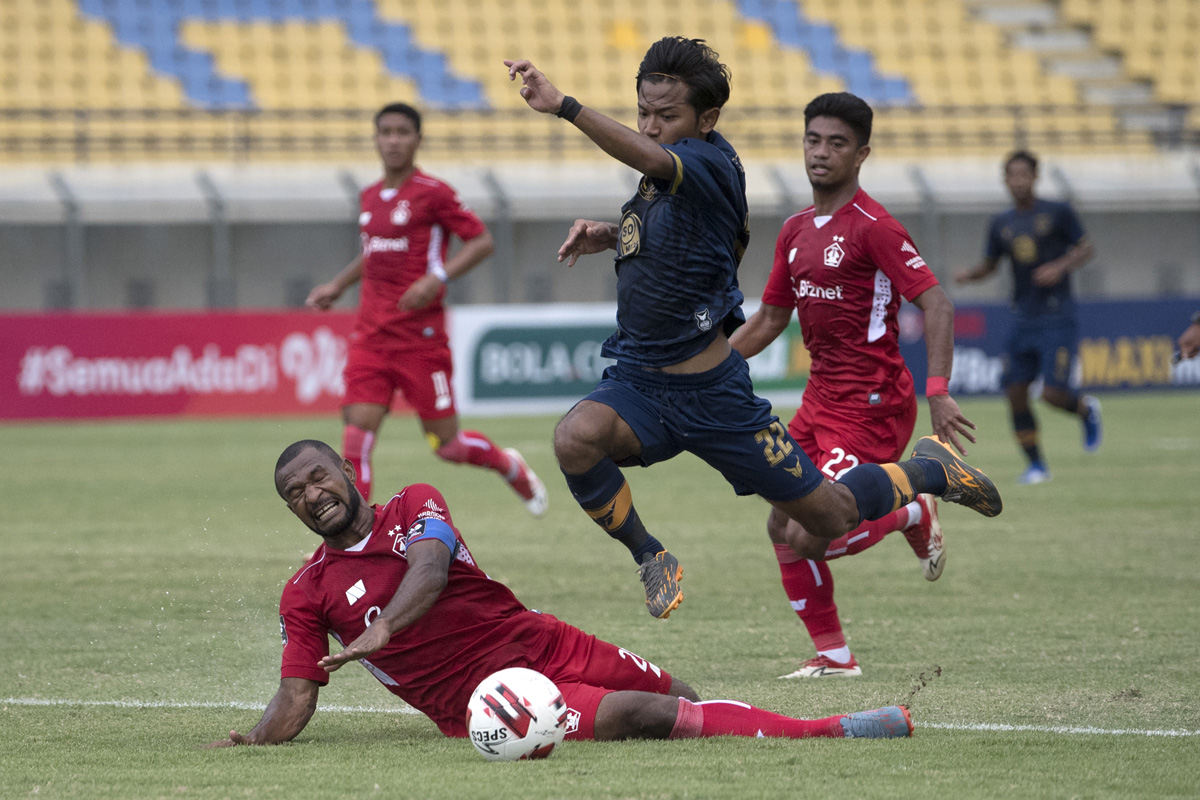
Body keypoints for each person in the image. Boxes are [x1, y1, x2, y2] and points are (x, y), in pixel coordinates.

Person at [505, 37, 1001, 620]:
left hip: (717, 399)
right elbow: (679, 239)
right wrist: (611, 234)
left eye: (667, 115)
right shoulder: (665, 182)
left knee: (826, 521)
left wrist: (565, 105)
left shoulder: (710, 163)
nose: (651, 126)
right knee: (575, 438)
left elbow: (655, 162)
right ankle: (650, 554)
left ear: (707, 118)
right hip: (642, 383)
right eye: (643, 112)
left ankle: (928, 471)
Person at [204, 440, 914, 748]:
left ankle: (725, 729)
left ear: (346, 472)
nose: (312, 495)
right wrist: (254, 740)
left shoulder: (414, 503)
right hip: (491, 701)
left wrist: (384, 627)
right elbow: (297, 693)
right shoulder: (307, 593)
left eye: (318, 478)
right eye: (295, 494)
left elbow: (433, 566)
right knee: (647, 710)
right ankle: (830, 729)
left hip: (544, 638)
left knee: (678, 691)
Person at [729, 92, 971, 678]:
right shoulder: (793, 230)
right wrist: (702, 374)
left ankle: (912, 509)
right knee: (779, 524)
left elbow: (934, 300)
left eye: (837, 143)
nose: (821, 153)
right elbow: (767, 321)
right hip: (819, 401)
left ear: (861, 154)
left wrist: (937, 387)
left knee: (815, 531)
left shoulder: (874, 226)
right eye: (814, 140)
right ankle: (836, 658)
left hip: (872, 404)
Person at [306, 102, 547, 514]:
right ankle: (353, 540)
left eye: (402, 132)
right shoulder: (368, 198)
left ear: (418, 139)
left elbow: (482, 242)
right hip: (371, 338)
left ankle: (509, 466)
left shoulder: (433, 193)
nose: (393, 140)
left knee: (447, 446)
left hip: (420, 339)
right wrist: (337, 284)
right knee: (355, 441)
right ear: (376, 138)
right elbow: (374, 253)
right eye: (385, 132)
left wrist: (439, 278)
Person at [955, 150, 1101, 485]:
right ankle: (1037, 466)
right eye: (1012, 176)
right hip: (1022, 316)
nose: (1018, 181)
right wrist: (969, 275)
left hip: (1056, 314)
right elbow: (990, 264)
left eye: (1024, 174)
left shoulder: (1058, 212)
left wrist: (1059, 266)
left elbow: (1086, 248)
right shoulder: (1002, 222)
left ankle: (1086, 410)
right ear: (1005, 180)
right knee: (1015, 392)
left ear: (1035, 176)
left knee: (1052, 394)